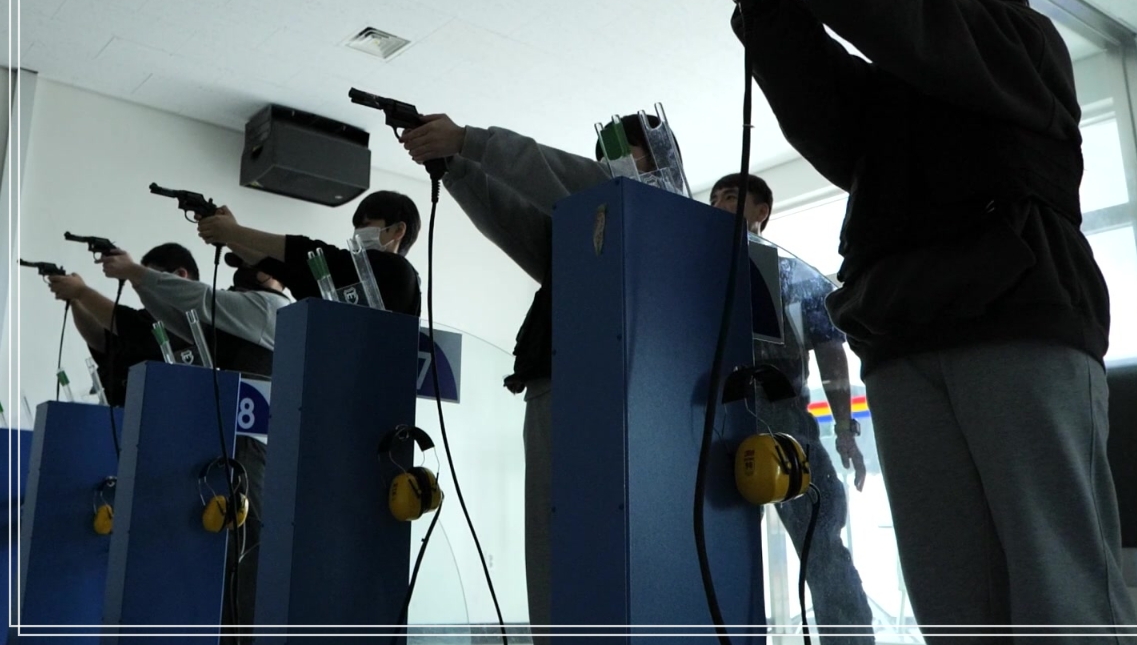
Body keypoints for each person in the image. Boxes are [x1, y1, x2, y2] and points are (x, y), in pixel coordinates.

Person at [700, 0, 1137, 640]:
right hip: (900, 338)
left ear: (995, 1)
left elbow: (923, 23)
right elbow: (819, 96)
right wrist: (766, 3)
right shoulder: (886, 100)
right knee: (949, 591)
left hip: (1018, 318)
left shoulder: (1023, 43)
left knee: (1058, 576)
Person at [399, 112, 679, 642]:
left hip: (626, 394)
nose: (610, 164)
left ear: (661, 160)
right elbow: (514, 220)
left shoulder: (668, 214)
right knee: (553, 551)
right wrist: (456, 166)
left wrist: (470, 141)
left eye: (625, 151)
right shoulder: (589, 224)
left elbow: (563, 175)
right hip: (557, 383)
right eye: (603, 153)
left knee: (618, 559)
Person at [710, 173, 874, 642]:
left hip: (781, 414)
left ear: (761, 211)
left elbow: (830, 351)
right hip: (715, 415)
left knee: (818, 537)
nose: (719, 205)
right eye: (714, 198)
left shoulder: (794, 276)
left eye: (732, 197)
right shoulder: (697, 273)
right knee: (719, 544)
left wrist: (845, 429)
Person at [100, 242, 289, 640]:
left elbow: (200, 300)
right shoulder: (244, 314)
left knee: (245, 553)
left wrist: (136, 273)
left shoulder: (269, 307)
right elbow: (178, 315)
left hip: (248, 451)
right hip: (223, 447)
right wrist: (140, 282)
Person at [196, 190, 422, 316]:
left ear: (398, 230)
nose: (358, 233)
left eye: (366, 224)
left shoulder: (398, 271)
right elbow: (287, 271)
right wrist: (229, 238)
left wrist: (235, 232)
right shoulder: (352, 280)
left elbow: (310, 254)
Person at [47, 253, 189, 406]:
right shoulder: (145, 323)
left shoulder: (187, 319)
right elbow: (101, 340)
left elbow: (131, 326)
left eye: (151, 279)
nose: (145, 288)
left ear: (180, 275)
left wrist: (81, 292)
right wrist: (75, 300)